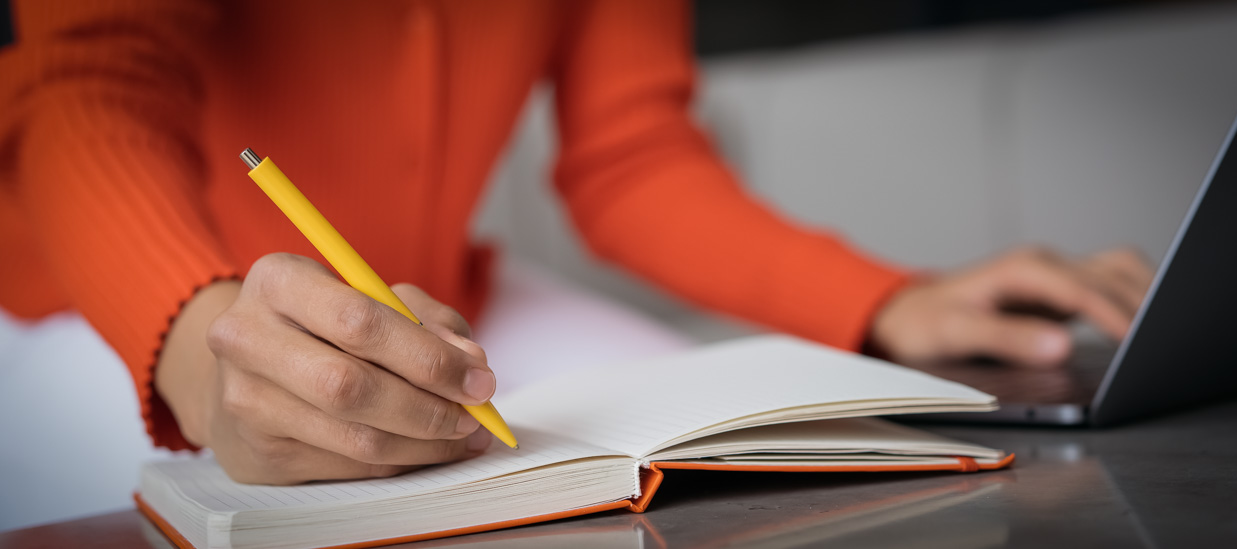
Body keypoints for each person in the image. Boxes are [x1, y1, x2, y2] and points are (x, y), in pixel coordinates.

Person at [0, 0, 1151, 485]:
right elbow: (90, 86)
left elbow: (630, 154)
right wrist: (198, 359)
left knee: (702, 465)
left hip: (436, 301)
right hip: (101, 302)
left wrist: (885, 300)